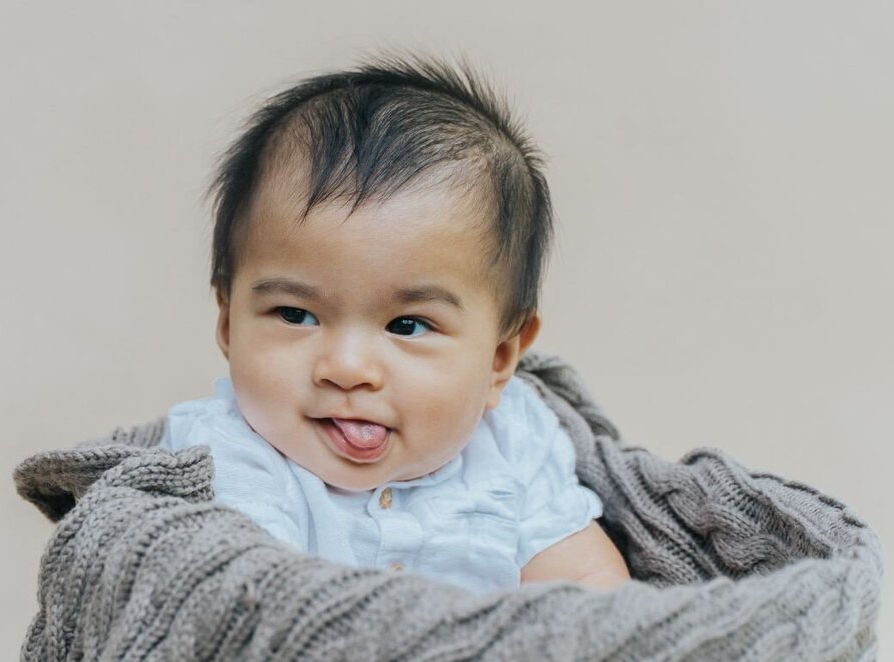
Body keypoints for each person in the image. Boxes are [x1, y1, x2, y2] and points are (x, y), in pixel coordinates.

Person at [160, 53, 630, 595]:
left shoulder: (513, 441)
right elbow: (251, 605)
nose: (347, 369)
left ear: (500, 359)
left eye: (407, 325)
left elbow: (592, 587)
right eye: (295, 315)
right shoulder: (226, 454)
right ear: (228, 322)